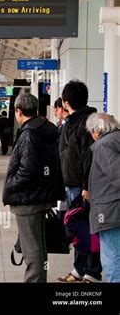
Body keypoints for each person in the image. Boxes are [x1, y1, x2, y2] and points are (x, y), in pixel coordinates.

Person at [2, 94, 64, 283]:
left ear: (18, 112)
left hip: (28, 199)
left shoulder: (29, 134)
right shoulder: (44, 128)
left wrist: (10, 186)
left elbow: (27, 170)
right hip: (40, 197)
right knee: (38, 248)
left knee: (32, 251)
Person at [57, 79, 102, 283]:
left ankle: (92, 272)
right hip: (71, 185)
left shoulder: (87, 123)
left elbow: (88, 157)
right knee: (77, 229)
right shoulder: (72, 122)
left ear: (66, 102)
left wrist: (86, 187)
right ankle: (79, 269)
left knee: (87, 229)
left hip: (81, 187)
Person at [85, 113, 120, 282]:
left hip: (110, 209)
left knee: (112, 255)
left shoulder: (103, 145)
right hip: (113, 206)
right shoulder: (116, 139)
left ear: (97, 131)